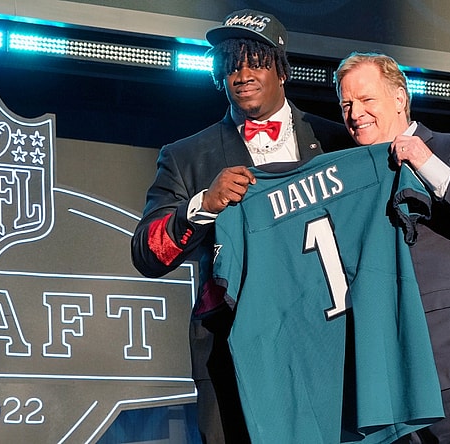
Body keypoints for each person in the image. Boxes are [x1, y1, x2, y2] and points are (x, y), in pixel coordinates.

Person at [130, 9, 353, 443]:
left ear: (282, 69)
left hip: (328, 340)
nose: (243, 74)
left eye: (255, 60)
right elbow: (146, 254)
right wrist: (203, 205)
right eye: (231, 65)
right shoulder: (187, 156)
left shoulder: (336, 142)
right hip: (230, 349)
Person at [335, 51, 450, 443]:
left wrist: (427, 163)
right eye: (347, 104)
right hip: (389, 370)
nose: (355, 114)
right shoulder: (348, 176)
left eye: (367, 100)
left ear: (400, 98)